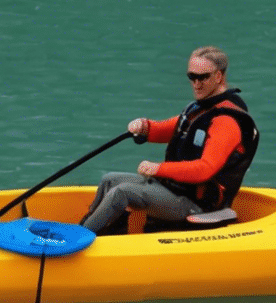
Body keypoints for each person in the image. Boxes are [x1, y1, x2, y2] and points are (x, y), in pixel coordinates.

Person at [79, 46, 260, 236]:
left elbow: (205, 169)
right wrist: (144, 126)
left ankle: (82, 237)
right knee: (110, 180)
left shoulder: (226, 121)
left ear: (219, 77)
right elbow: (170, 129)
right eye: (192, 77)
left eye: (203, 77)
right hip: (175, 188)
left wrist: (159, 169)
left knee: (122, 192)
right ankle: (102, 232)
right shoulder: (201, 109)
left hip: (196, 203)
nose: (196, 84)